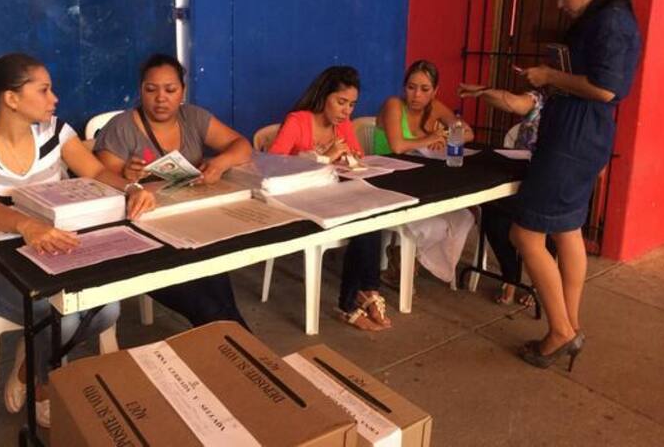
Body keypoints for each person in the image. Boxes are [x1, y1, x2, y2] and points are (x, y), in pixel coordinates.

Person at [0, 53, 156, 428]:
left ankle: (28, 367)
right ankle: (44, 386)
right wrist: (28, 226)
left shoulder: (56, 133)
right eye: (44, 90)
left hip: (54, 255)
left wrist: (132, 188)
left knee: (106, 309)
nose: (54, 98)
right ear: (12, 98)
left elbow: (96, 172)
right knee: (59, 315)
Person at [508, 0, 641, 370]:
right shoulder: (605, 18)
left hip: (573, 139)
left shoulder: (611, 22)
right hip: (581, 134)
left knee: (525, 235)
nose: (559, 4)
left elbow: (605, 88)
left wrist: (549, 76)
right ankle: (569, 325)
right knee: (567, 229)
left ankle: (561, 332)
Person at [94, 53, 252, 328]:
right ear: (140, 90)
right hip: (146, 243)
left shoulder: (194, 118)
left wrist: (219, 163)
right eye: (151, 90)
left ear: (183, 91)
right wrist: (126, 175)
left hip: (192, 228)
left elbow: (242, 145)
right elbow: (100, 179)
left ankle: (236, 345)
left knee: (220, 296)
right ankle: (241, 347)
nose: (161, 98)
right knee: (210, 308)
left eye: (170, 90)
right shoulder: (121, 126)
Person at [268, 66, 391, 331]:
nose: (346, 111)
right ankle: (355, 299)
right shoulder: (298, 121)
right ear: (324, 96)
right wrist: (324, 157)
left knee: (372, 214)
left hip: (332, 194)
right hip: (298, 199)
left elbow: (356, 156)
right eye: (341, 102)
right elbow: (273, 165)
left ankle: (365, 293)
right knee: (364, 220)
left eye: (352, 105)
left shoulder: (342, 125)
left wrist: (351, 157)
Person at [374, 60, 476, 287]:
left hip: (417, 179)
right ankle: (402, 258)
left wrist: (446, 138)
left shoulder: (435, 108)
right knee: (435, 224)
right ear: (404, 87)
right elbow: (398, 146)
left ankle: (409, 257)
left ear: (435, 91)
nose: (416, 95)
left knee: (463, 217)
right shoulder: (393, 105)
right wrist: (430, 139)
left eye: (424, 89)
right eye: (411, 87)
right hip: (386, 180)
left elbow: (467, 132)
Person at [459, 86, 548, 305]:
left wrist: (483, 92)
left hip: (548, 181)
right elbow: (514, 102)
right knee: (493, 215)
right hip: (519, 177)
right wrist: (483, 92)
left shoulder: (572, 107)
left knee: (547, 225)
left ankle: (541, 283)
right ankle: (510, 276)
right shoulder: (539, 99)